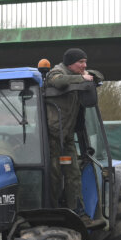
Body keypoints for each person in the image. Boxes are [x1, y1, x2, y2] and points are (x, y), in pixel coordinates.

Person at [45, 48, 104, 225]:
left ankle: (78, 212)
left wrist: (89, 74)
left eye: (85, 62)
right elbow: (59, 82)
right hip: (52, 137)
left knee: (73, 174)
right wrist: (81, 78)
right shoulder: (56, 72)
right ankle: (52, 211)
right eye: (81, 62)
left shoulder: (79, 72)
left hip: (67, 137)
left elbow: (98, 75)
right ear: (70, 63)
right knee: (54, 174)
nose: (84, 65)